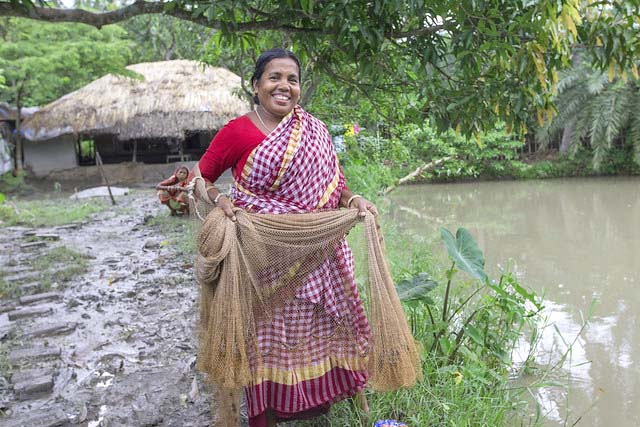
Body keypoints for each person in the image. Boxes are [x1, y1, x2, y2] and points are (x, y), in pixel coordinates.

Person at [197, 48, 378, 427]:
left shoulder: (313, 130)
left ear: (300, 88)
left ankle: (319, 405)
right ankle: (267, 416)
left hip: (319, 252)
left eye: (292, 79)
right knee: (265, 339)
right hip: (263, 256)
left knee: (321, 330)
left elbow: (337, 185)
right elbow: (202, 178)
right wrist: (219, 199)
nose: (284, 86)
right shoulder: (238, 131)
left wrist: (353, 199)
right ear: (256, 85)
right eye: (274, 77)